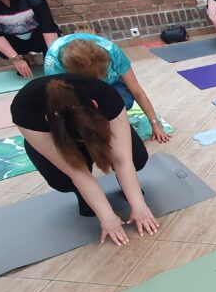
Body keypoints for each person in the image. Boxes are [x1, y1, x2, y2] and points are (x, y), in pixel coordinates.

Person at [11, 72, 158, 245]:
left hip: (97, 126)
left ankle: (129, 190)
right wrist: (107, 218)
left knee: (136, 157)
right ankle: (84, 196)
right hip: (55, 137)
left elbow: (122, 160)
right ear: (47, 120)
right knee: (62, 180)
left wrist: (139, 206)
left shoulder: (105, 96)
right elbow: (77, 171)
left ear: (95, 105)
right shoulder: (26, 110)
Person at [44, 34, 170, 144]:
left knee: (124, 101)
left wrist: (155, 123)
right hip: (76, 87)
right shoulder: (53, 64)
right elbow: (60, 102)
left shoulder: (113, 52)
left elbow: (137, 91)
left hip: (110, 84)